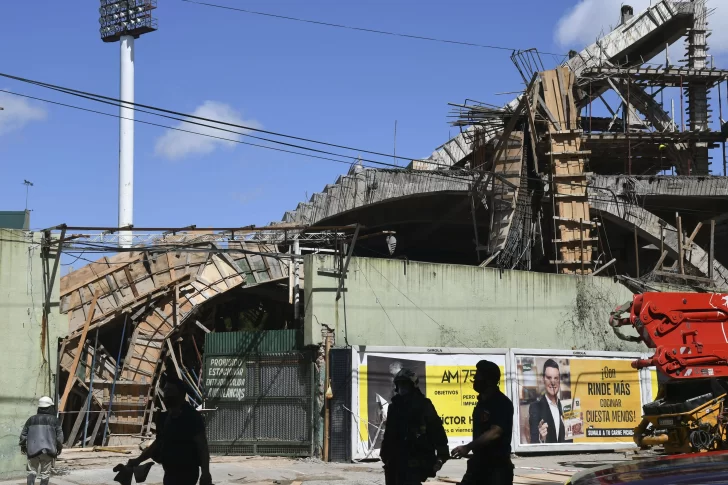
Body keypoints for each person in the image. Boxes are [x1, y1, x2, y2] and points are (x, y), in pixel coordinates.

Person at [127, 375, 212, 485]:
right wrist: (138, 460)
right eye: (165, 391)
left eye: (170, 391)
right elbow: (158, 442)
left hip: (187, 473)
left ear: (181, 394)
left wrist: (205, 473)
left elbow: (202, 446)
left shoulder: (192, 417)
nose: (166, 394)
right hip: (169, 472)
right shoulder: (164, 417)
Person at [380, 369, 449, 485]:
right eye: (400, 384)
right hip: (395, 458)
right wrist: (385, 454)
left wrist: (442, 454)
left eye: (405, 383)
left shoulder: (424, 405)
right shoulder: (394, 407)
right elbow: (389, 433)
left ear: (413, 385)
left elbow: (436, 428)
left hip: (417, 456)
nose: (402, 387)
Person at [451, 360, 514, 485]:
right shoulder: (481, 403)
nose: (474, 379)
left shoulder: (502, 403)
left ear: (488, 380)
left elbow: (495, 432)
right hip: (478, 465)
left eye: (477, 376)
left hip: (497, 470)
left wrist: (468, 447)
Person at [19, 396, 64, 485]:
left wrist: (23, 446)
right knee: (45, 473)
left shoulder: (31, 419)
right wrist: (59, 447)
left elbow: (23, 435)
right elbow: (60, 436)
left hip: (32, 451)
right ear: (50, 407)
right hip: (48, 451)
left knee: (31, 472)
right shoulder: (54, 420)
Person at [528, 359, 570, 444]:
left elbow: (574, 443)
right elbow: (533, 443)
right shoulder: (535, 407)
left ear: (559, 380)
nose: (553, 382)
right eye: (549, 378)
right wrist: (541, 439)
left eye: (556, 378)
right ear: (543, 379)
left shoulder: (568, 407)